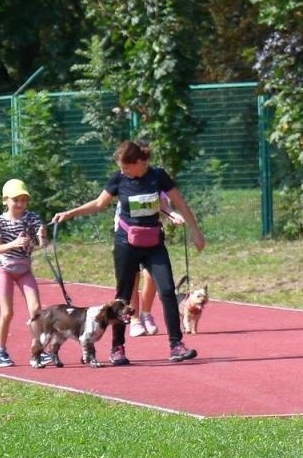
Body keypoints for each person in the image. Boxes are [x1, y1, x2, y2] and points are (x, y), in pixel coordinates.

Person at [50, 139, 206, 365]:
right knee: (122, 298)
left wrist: (196, 232)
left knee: (167, 292)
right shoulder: (118, 179)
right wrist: (69, 213)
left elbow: (180, 204)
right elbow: (99, 204)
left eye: (126, 167)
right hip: (126, 244)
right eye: (121, 167)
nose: (122, 171)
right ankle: (118, 348)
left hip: (154, 244)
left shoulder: (158, 176)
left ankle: (176, 345)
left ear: (140, 162)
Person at [0, 178, 45, 368]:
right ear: (5, 200)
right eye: (16, 200)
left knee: (36, 310)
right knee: (7, 312)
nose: (21, 204)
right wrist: (15, 243)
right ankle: (0, 351)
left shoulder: (31, 217)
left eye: (24, 200)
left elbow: (40, 235)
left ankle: (37, 350)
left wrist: (41, 236)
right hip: (5, 269)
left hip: (24, 270)